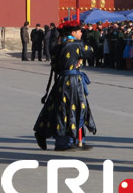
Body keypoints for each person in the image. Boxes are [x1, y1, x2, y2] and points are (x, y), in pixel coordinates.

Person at [33, 20, 96, 151]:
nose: (81, 33)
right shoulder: (76, 44)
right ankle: (64, 142)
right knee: (74, 109)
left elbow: (55, 67)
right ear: (73, 32)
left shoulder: (59, 44)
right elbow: (90, 51)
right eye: (80, 31)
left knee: (58, 108)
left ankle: (75, 139)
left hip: (62, 80)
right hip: (72, 81)